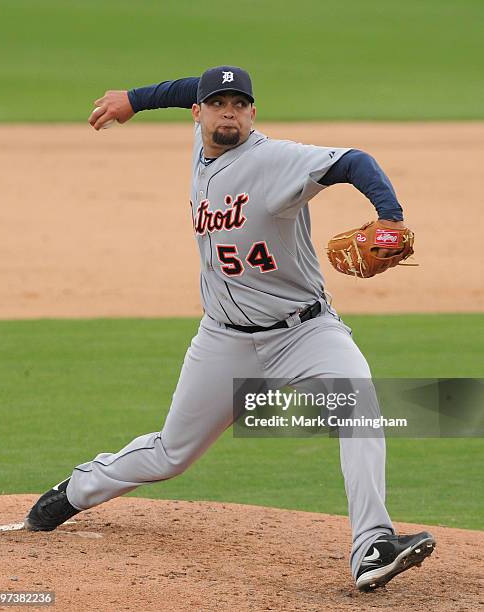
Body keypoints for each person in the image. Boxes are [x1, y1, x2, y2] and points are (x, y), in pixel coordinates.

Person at [24, 66, 435, 591]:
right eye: (218, 103)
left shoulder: (273, 160)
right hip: (222, 339)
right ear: (198, 114)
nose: (229, 112)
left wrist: (390, 214)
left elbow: (354, 160)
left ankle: (372, 545)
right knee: (172, 453)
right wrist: (133, 98)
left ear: (252, 113)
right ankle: (78, 489)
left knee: (359, 404)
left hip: (304, 333)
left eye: (239, 104)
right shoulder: (202, 146)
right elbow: (186, 86)